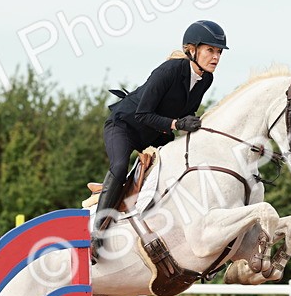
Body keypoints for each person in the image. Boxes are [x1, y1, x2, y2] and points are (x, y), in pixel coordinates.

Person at [91, 20, 228, 260]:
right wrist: (177, 124)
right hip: (124, 125)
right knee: (121, 166)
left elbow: (188, 113)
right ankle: (97, 234)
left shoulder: (206, 79)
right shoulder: (170, 70)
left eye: (218, 52)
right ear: (191, 50)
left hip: (156, 133)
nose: (216, 57)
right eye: (210, 50)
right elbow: (142, 114)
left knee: (180, 166)